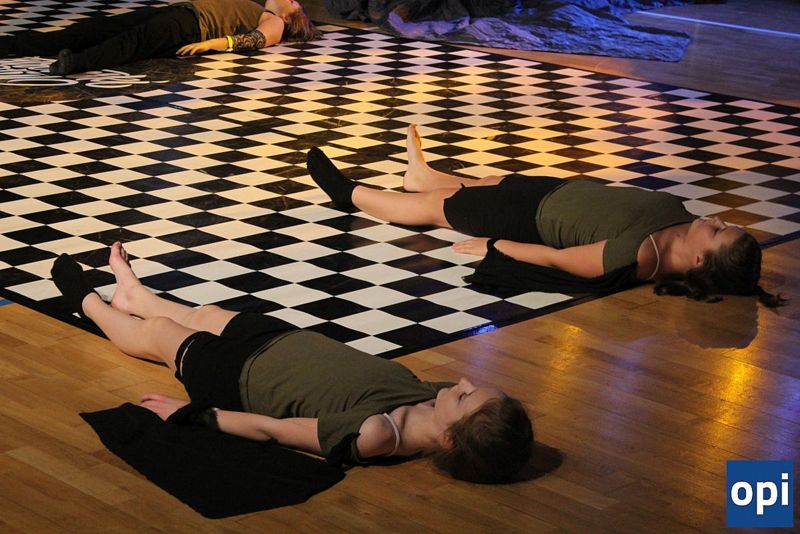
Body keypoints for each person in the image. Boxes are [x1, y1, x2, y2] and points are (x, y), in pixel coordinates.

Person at [50, 242, 534, 484]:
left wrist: (194, 415)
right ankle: (133, 295)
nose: (463, 380)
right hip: (281, 343)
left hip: (240, 378)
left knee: (160, 334)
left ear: (448, 438)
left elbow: (280, 431)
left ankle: (88, 303)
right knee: (203, 314)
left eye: (466, 396)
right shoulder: (434, 397)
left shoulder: (378, 434)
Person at [305, 125, 785, 307]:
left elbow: (560, 261)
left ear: (699, 261)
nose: (717, 221)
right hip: (555, 191)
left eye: (720, 233)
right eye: (725, 224)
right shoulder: (681, 221)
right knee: (484, 182)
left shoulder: (637, 256)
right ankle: (422, 176)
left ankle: (351, 195)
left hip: (529, 218)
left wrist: (497, 247)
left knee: (438, 209)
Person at [0, 0, 321, 76]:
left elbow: (255, 40)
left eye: (294, 2)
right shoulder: (257, 7)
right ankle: (12, 45)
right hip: (178, 13)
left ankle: (75, 63)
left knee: (129, 44)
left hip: (190, 26)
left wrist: (212, 44)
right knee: (95, 29)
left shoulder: (275, 22)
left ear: (292, 16)